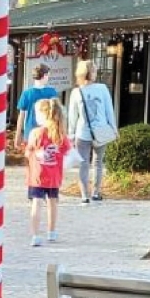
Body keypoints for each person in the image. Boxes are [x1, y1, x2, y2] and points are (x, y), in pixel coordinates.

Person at [67, 58, 118, 203]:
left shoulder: (76, 92)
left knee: (83, 163)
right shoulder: (102, 88)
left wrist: (71, 134)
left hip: (82, 132)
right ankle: (95, 192)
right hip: (100, 131)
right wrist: (113, 128)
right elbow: (109, 110)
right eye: (94, 70)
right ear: (90, 73)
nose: (96, 72)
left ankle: (84, 195)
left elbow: (72, 116)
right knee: (98, 163)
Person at [25, 97, 71, 246]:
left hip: (37, 175)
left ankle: (35, 235)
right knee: (53, 202)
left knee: (36, 203)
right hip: (54, 175)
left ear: (42, 115)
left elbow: (28, 152)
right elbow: (66, 151)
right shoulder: (60, 134)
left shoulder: (36, 133)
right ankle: (51, 232)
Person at [13, 62, 59, 153]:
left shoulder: (26, 93)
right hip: (48, 132)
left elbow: (21, 116)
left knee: (31, 160)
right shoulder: (52, 92)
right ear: (44, 75)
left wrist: (17, 135)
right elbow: (56, 115)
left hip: (30, 132)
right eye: (48, 75)